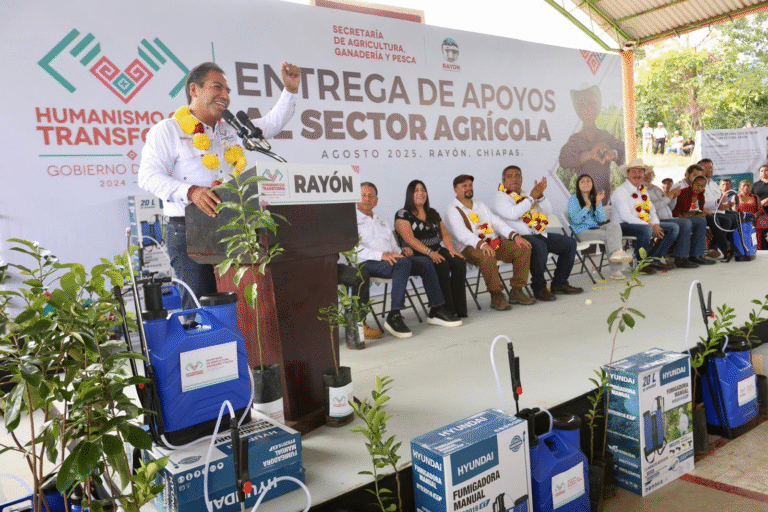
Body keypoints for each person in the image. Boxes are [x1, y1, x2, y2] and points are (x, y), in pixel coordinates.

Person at [138, 61, 300, 312]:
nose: (225, 95)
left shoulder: (231, 130)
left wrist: (290, 91)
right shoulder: (167, 130)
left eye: (227, 90)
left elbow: (271, 124)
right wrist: (191, 192)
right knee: (201, 308)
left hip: (231, 228)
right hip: (188, 231)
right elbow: (147, 176)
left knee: (237, 306)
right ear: (194, 89)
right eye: (217, 87)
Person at [356, 182, 461, 339]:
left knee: (425, 262)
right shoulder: (350, 221)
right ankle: (394, 315)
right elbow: (353, 249)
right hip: (367, 263)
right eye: (363, 195)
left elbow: (393, 245)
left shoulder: (381, 220)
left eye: (371, 196)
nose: (367, 198)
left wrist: (401, 251)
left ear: (376, 200)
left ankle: (437, 309)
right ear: (356, 199)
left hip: (392, 260)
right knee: (403, 263)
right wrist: (382, 255)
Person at [445, 174, 535, 311]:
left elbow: (497, 222)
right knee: (487, 255)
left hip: (493, 243)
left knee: (523, 248)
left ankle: (517, 291)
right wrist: (482, 244)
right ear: (455, 189)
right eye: (464, 186)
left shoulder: (480, 204)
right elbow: (462, 234)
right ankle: (496, 295)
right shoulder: (452, 209)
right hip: (469, 248)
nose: (468, 188)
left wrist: (514, 236)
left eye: (470, 185)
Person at [493, 165, 583, 301]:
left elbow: (547, 211)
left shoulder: (526, 194)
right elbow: (513, 214)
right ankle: (539, 288)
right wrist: (531, 198)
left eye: (517, 175)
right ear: (503, 181)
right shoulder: (500, 197)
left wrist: (540, 197)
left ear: (521, 179)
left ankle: (560, 283)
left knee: (569, 243)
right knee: (540, 246)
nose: (514, 179)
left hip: (537, 234)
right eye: (509, 176)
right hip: (516, 238)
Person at [395, 180, 468, 318]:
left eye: (423, 190)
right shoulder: (403, 214)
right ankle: (446, 308)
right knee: (442, 264)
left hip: (437, 250)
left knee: (459, 261)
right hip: (419, 254)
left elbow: (445, 234)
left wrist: (451, 249)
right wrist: (429, 252)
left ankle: (460, 308)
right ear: (410, 194)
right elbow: (409, 239)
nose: (420, 193)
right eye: (416, 190)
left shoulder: (432, 212)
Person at [610, 158, 678, 274]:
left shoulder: (643, 190)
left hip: (643, 224)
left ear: (644, 174)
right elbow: (626, 216)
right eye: (634, 172)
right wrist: (650, 225)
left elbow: (651, 211)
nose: (637, 175)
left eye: (640, 172)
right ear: (627, 174)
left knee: (673, 228)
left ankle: (653, 259)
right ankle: (639, 263)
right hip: (621, 225)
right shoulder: (620, 191)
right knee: (646, 229)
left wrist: (655, 224)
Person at [558, 85, 624, 205]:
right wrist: (589, 155)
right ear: (578, 111)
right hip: (583, 201)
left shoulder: (605, 136)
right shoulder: (576, 139)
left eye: (590, 104)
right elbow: (564, 159)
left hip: (604, 199)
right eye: (582, 106)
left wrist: (613, 154)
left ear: (596, 107)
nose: (587, 109)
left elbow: (625, 152)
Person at [566, 174, 633, 280]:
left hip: (594, 228)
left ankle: (617, 252)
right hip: (580, 232)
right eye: (582, 181)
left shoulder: (594, 197)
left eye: (588, 181)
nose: (586, 183)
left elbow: (601, 219)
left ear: (592, 184)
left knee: (614, 226)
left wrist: (597, 203)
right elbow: (576, 220)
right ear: (578, 185)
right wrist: (587, 206)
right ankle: (616, 270)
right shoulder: (573, 200)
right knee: (608, 235)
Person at [645, 168, 714, 268]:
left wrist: (674, 197)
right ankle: (681, 258)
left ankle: (696, 255)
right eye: (645, 173)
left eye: (650, 173)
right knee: (685, 223)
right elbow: (651, 208)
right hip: (657, 220)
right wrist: (668, 198)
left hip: (669, 217)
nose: (648, 176)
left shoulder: (656, 188)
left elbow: (670, 207)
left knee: (701, 221)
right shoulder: (641, 190)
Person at [698, 159, 737, 259]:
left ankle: (718, 247)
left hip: (718, 212)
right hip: (703, 213)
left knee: (736, 218)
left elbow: (721, 203)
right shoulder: (698, 184)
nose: (709, 169)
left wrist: (727, 204)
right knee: (726, 220)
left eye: (710, 167)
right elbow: (700, 204)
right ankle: (724, 248)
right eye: (705, 168)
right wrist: (718, 204)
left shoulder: (714, 184)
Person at [337, 262, 382, 349]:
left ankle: (359, 325)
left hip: (330, 264)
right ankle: (324, 332)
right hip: (313, 270)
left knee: (362, 275)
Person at [734, 180, 765, 249]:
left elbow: (760, 210)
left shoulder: (755, 197)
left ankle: (756, 250)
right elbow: (734, 211)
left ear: (751, 187)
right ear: (740, 188)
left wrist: (754, 216)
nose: (746, 187)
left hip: (754, 221)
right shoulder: (736, 197)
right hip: (741, 222)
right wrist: (743, 218)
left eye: (748, 185)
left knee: (755, 239)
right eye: (744, 186)